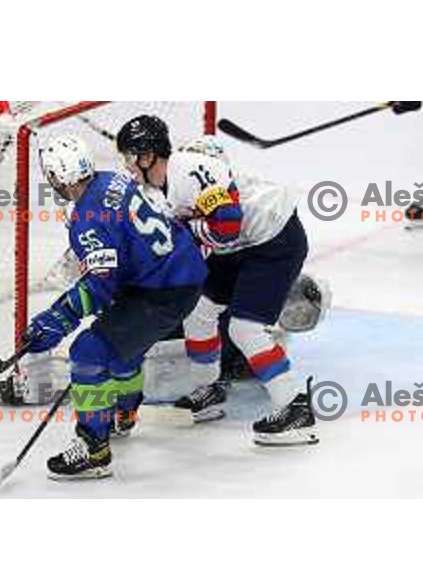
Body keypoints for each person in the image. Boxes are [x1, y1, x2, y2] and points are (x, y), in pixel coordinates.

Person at [116, 116, 319, 446]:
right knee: (199, 311)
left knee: (244, 328)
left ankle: (294, 406)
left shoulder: (188, 171)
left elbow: (226, 228)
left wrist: (185, 232)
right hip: (242, 245)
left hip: (275, 238)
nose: (128, 167)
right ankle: (208, 389)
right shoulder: (158, 189)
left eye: (129, 157)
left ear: (148, 155)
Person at [24, 135, 207, 479]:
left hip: (164, 289)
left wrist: (58, 318)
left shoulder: (86, 220)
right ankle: (125, 411)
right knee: (123, 347)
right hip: (178, 271)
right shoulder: (111, 179)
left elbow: (100, 284)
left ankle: (94, 448)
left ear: (55, 177)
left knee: (89, 352)